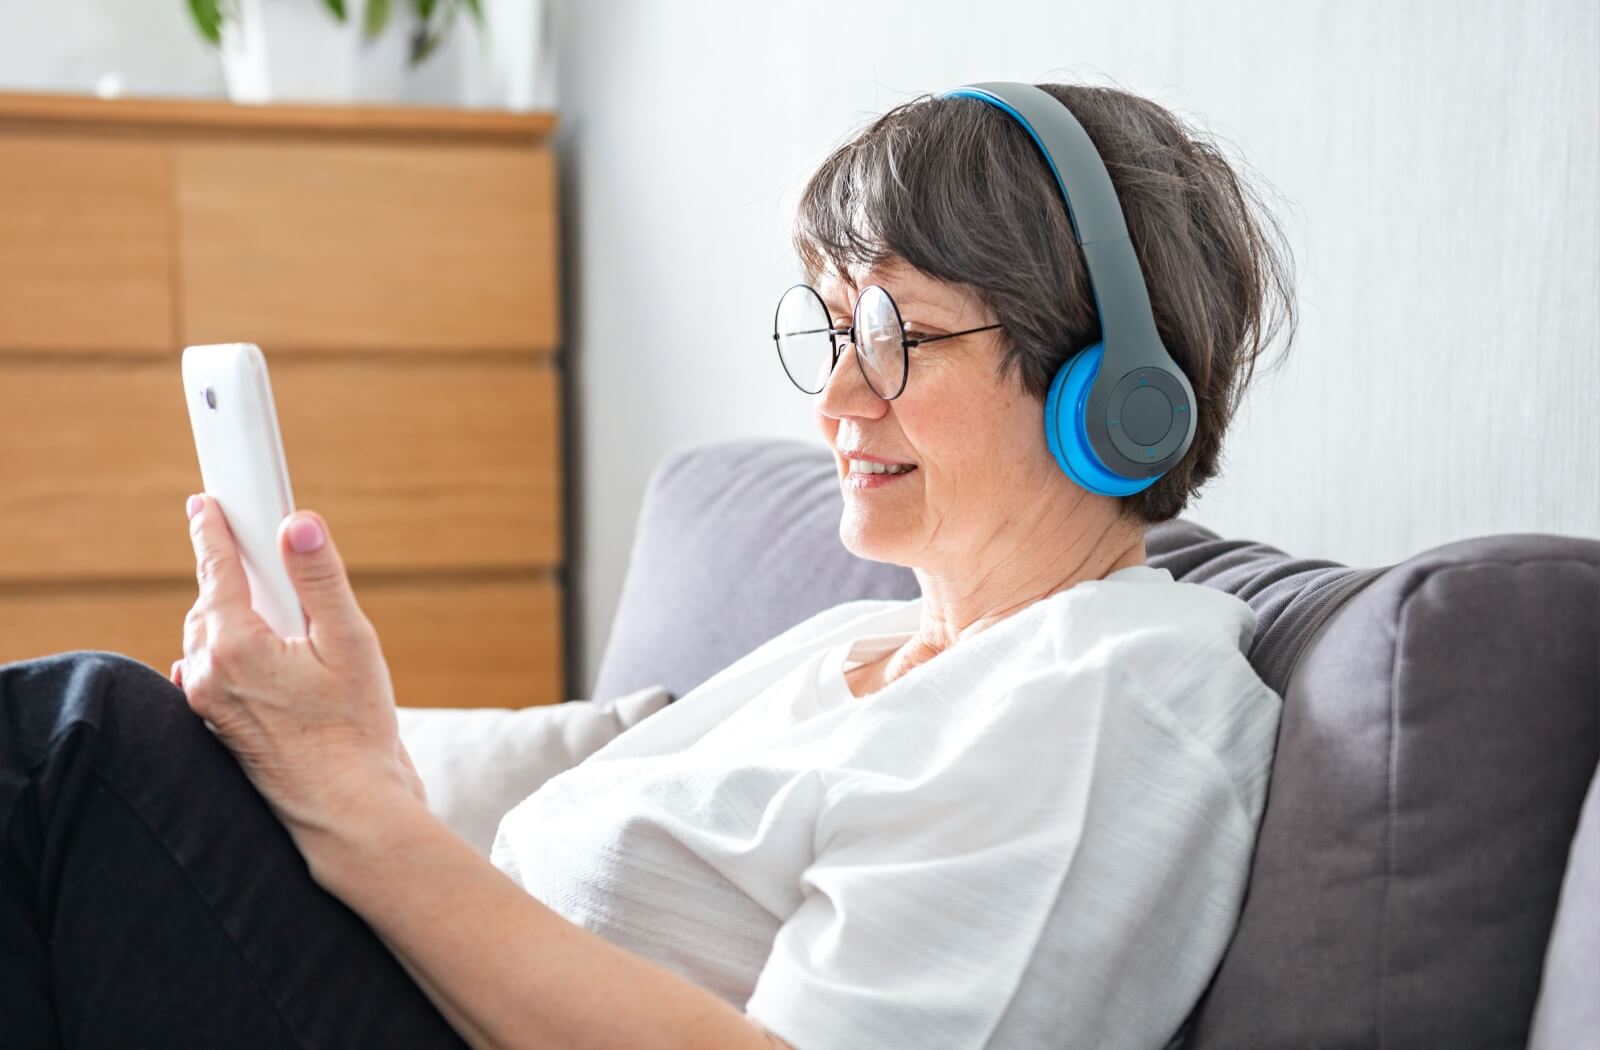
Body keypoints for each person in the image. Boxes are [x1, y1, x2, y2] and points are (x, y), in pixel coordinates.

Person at [0, 80, 1296, 1049]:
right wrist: (348, 753)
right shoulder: (839, 653)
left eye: (898, 333)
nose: (839, 395)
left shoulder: (1113, 691)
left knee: (78, 748)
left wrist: (359, 808)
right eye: (833, 328)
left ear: (1116, 397)